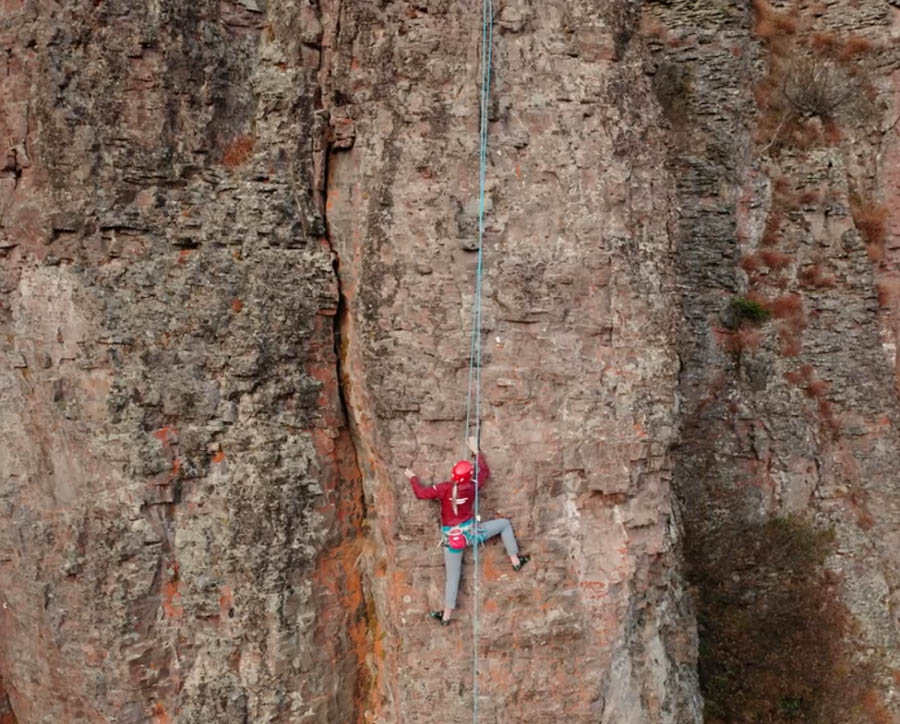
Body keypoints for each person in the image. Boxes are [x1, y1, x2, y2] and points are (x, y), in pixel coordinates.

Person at [404, 436, 529, 625]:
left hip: (452, 540)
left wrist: (412, 478)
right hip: (472, 534)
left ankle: (446, 616)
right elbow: (484, 472)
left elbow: (421, 494)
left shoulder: (444, 488)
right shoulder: (472, 486)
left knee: (452, 577)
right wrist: (476, 452)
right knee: (503, 524)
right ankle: (515, 560)